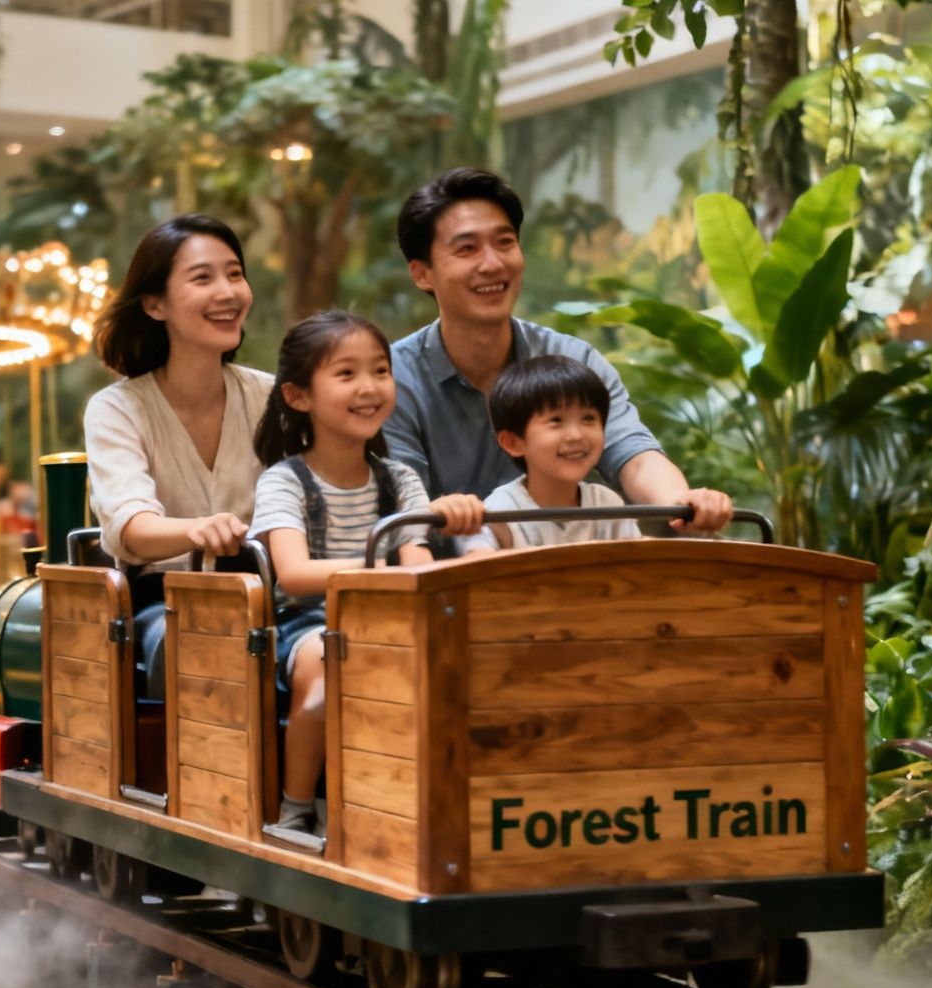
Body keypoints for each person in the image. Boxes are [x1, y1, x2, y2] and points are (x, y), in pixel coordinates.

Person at [382, 167, 733, 540]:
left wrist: (683, 504)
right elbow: (405, 506)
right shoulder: (392, 380)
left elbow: (634, 455)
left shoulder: (572, 359)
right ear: (422, 274)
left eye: (505, 242)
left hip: (568, 584)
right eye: (467, 248)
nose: (493, 263)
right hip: (445, 585)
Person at [247, 311, 453, 841]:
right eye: (346, 374)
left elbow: (418, 562)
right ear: (298, 396)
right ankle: (295, 807)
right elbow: (293, 574)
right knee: (324, 670)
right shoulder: (284, 481)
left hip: (386, 613)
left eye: (380, 371)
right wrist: (379, 567)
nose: (369, 388)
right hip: (309, 623)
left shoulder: (400, 479)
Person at [84, 214, 271, 683]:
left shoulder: (271, 397)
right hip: (163, 601)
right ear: (154, 304)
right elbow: (132, 527)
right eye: (202, 278)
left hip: (270, 591)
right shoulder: (117, 408)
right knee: (201, 647)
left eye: (234, 274)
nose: (228, 293)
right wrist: (199, 530)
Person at [461, 356, 640, 551]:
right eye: (556, 420)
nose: (576, 435)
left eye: (588, 418)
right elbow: (476, 561)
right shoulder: (501, 510)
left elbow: (641, 561)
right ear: (513, 442)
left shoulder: (606, 503)